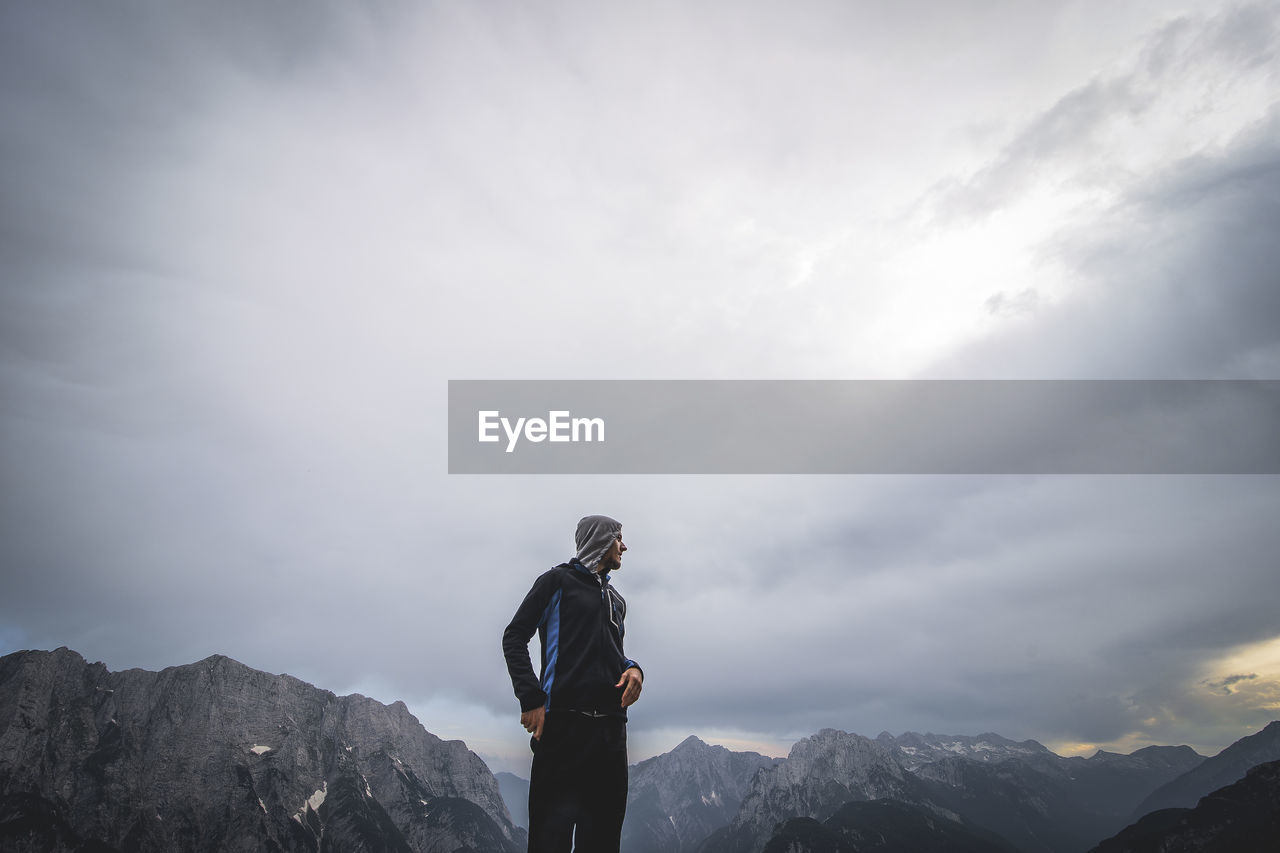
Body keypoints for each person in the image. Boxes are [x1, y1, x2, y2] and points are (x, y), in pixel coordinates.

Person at [502, 515, 644, 853]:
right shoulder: (555, 583)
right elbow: (514, 637)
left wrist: (634, 669)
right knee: (549, 844)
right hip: (562, 734)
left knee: (603, 845)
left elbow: (613, 655)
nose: (624, 545)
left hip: (610, 738)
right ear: (600, 540)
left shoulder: (617, 601)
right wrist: (531, 697)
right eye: (618, 538)